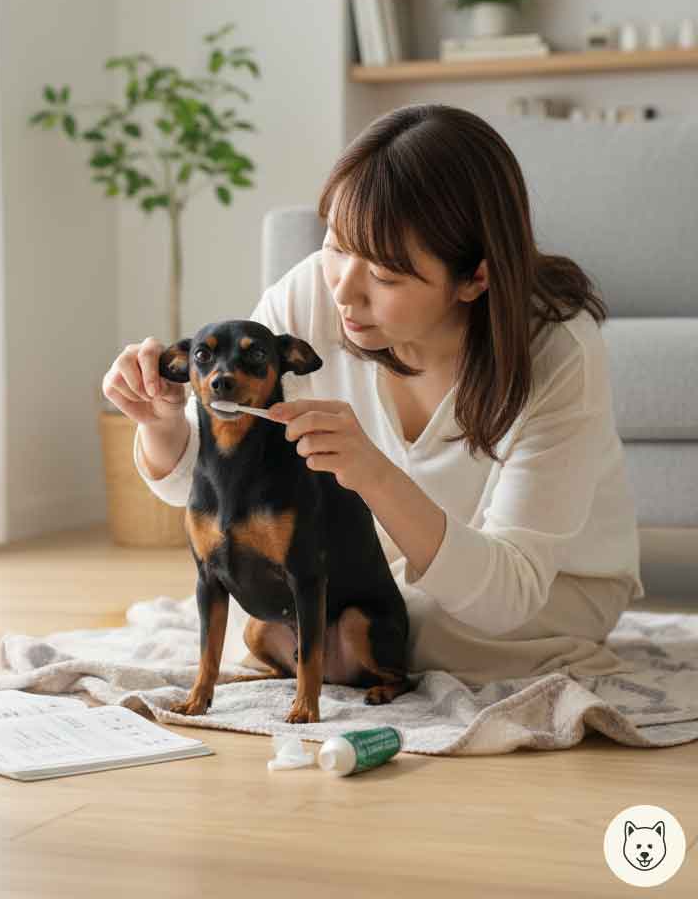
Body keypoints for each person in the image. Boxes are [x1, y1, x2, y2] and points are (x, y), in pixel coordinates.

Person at [101, 104, 645, 688]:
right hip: (377, 563)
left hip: (544, 586)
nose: (345, 290)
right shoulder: (315, 291)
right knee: (281, 610)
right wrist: (162, 423)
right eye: (336, 245)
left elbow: (509, 594)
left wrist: (375, 475)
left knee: (408, 628)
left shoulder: (556, 351)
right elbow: (215, 490)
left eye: (386, 276)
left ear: (474, 278)